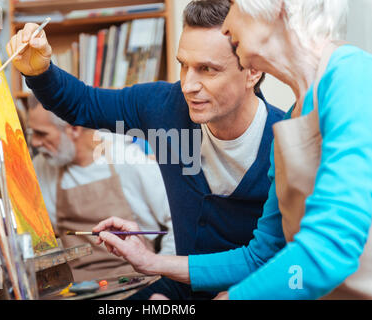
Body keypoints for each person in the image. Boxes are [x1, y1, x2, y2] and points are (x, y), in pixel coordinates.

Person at [7, 0, 285, 299]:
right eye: (183, 65)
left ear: (252, 71)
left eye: (207, 69)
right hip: (183, 282)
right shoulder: (164, 106)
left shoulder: (285, 141)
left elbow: (280, 261)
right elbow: (83, 103)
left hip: (255, 287)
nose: (188, 85)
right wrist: (39, 73)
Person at [96, 0, 372, 300]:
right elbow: (260, 256)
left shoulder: (350, 73)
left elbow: (330, 249)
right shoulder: (295, 116)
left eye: (235, 6)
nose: (226, 25)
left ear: (278, 8)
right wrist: (152, 262)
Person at [26, 96, 175, 282]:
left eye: (42, 134)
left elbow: (177, 222)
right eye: (33, 134)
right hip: (76, 285)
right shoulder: (42, 166)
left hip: (136, 279)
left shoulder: (128, 159)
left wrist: (162, 272)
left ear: (74, 128)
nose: (35, 143)